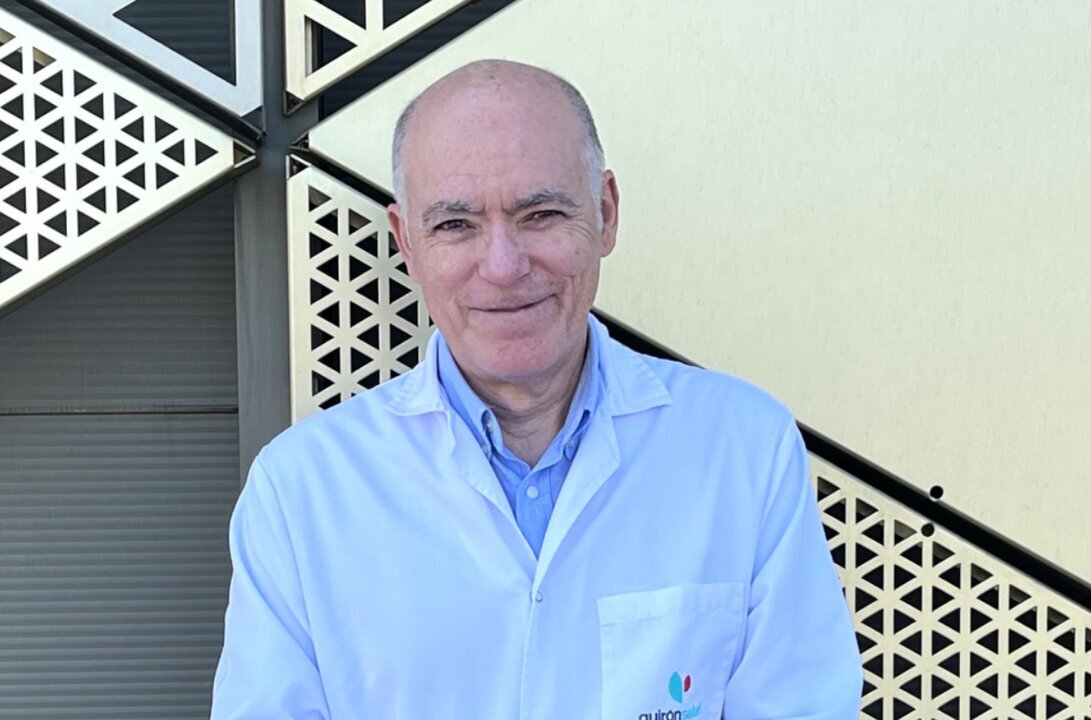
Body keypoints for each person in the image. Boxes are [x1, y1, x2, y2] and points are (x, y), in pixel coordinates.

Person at [211, 59, 862, 719]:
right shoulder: (301, 490)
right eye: (455, 225)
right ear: (406, 242)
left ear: (605, 213)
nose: (502, 265)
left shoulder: (745, 449)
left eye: (540, 214)